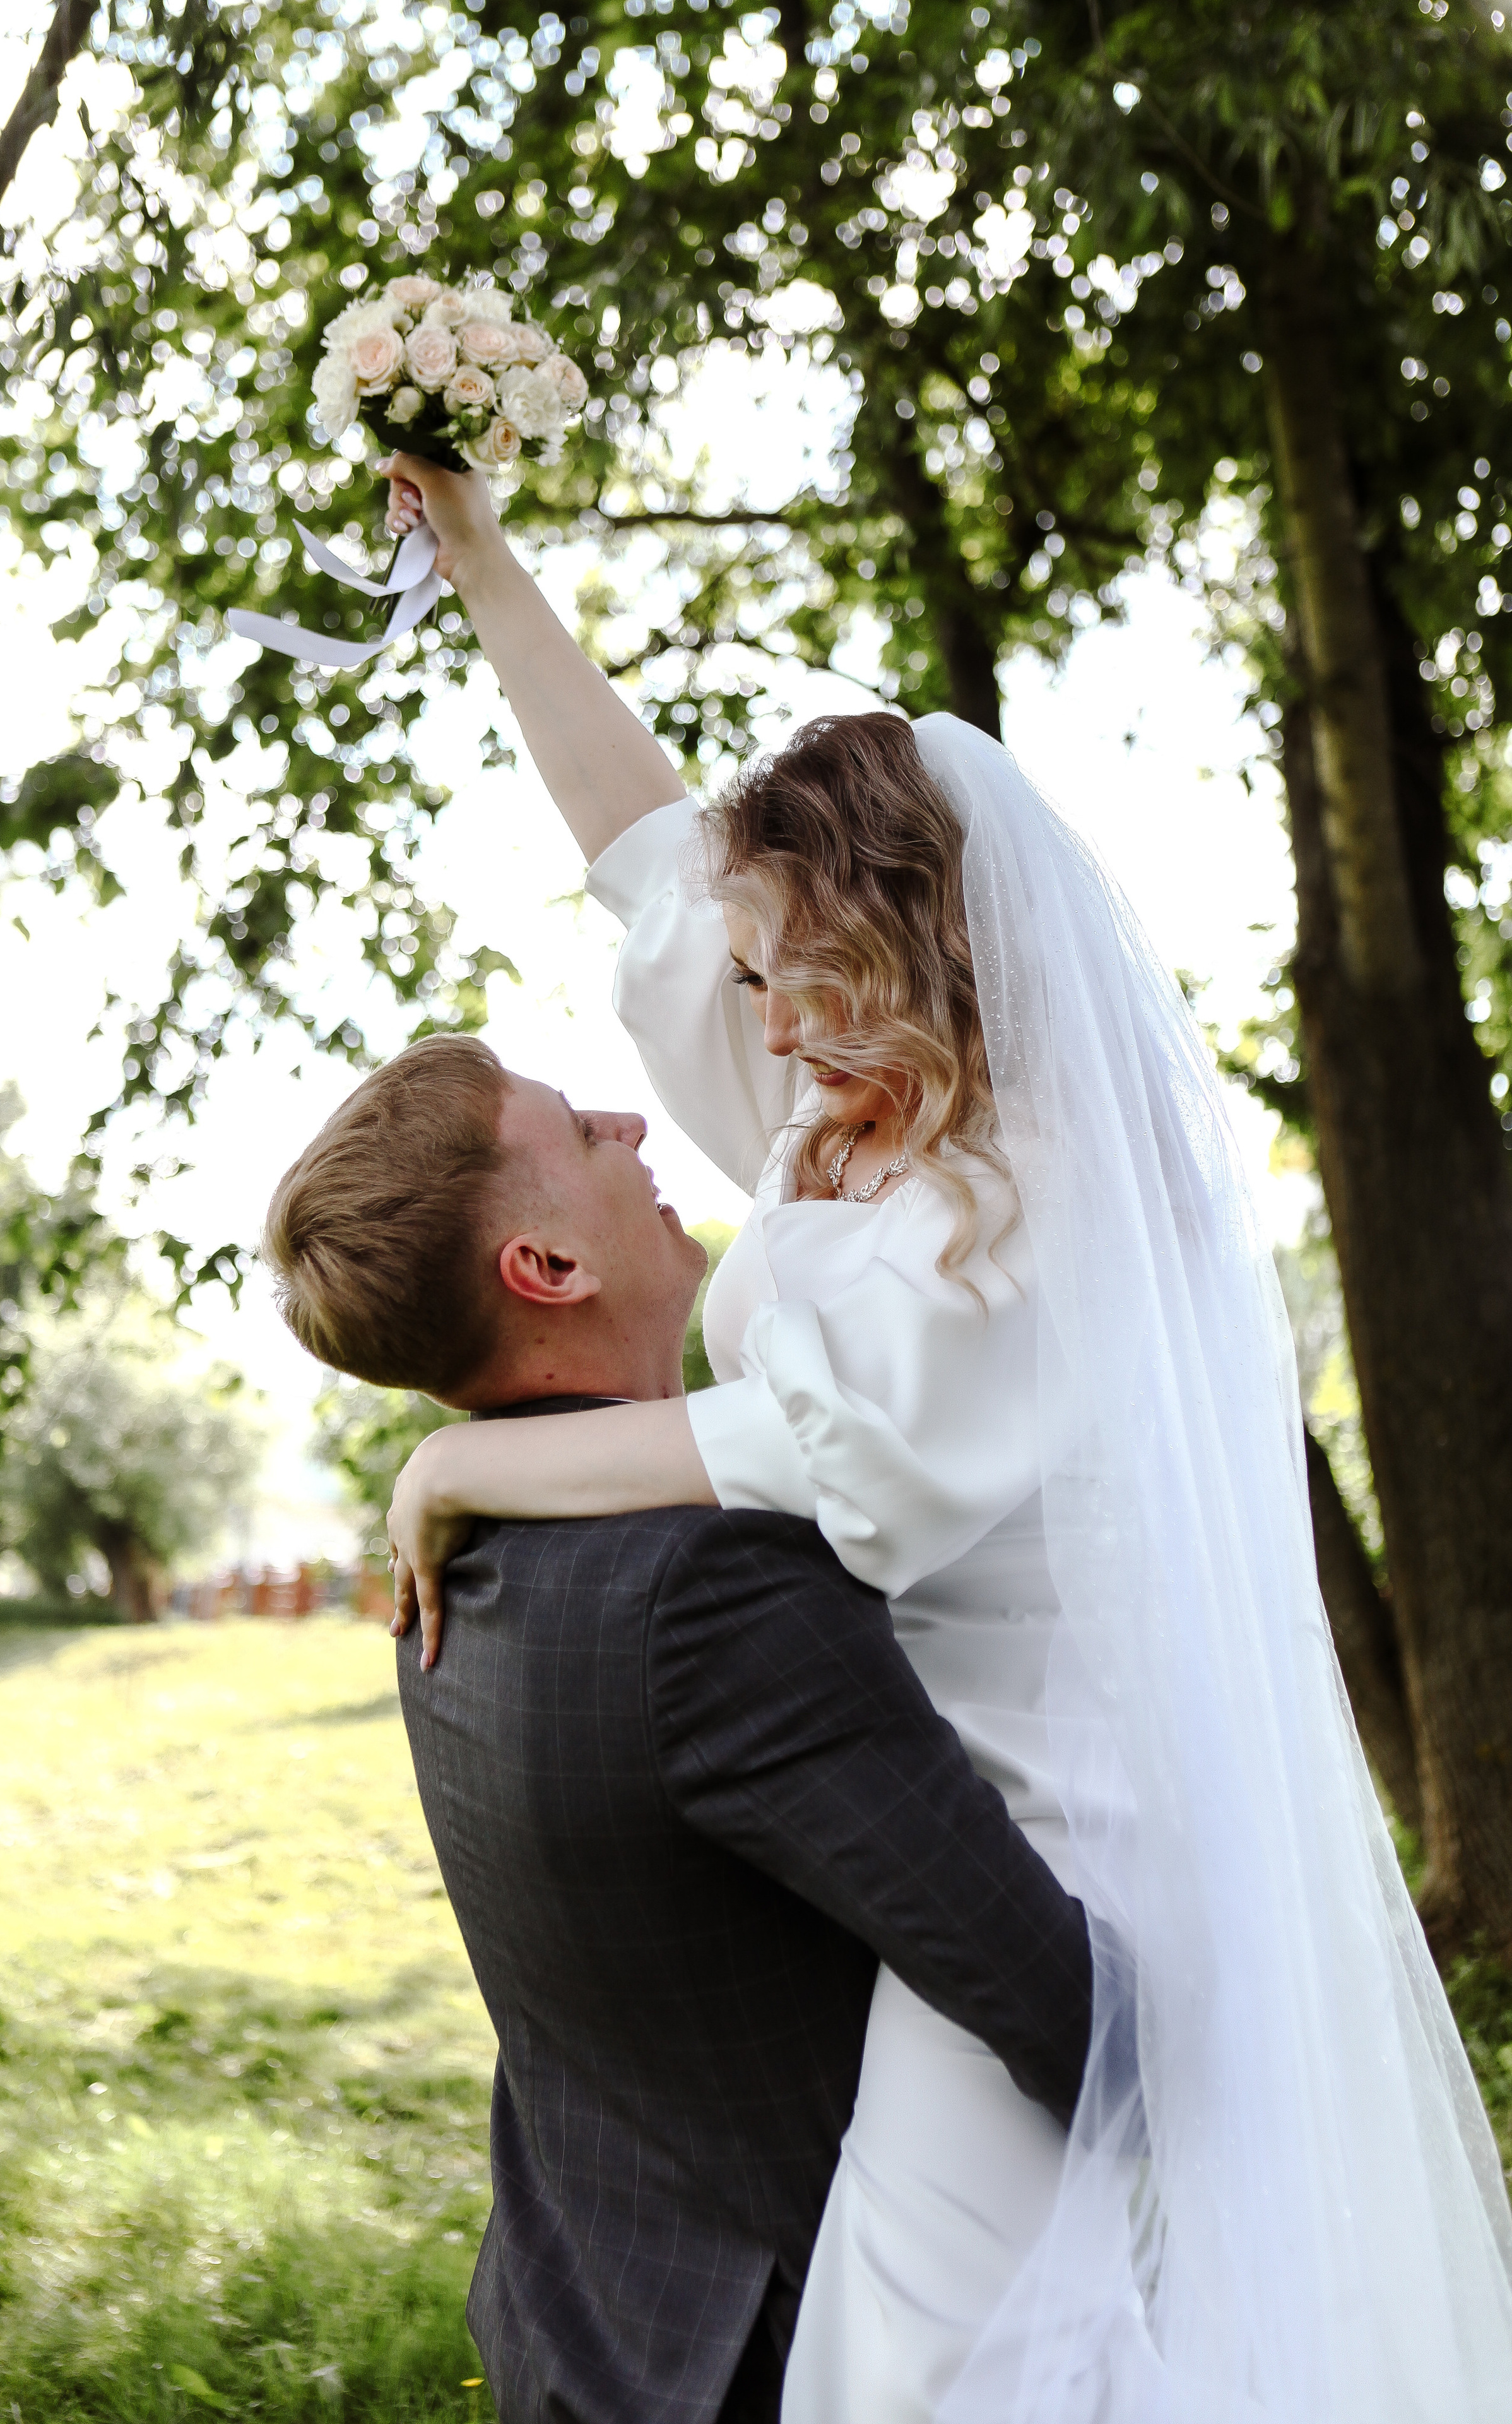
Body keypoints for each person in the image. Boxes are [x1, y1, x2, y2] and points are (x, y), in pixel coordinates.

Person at [375, 452, 1512, 2424]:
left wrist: (459, 1463)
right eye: (747, 983)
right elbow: (638, 841)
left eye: (785, 978)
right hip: (953, 1812)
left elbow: (773, 1452)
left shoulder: (1042, 1206)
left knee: (923, 2370)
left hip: (1085, 1843)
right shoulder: (841, 1119)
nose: (755, 1025)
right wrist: (482, 563)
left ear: (893, 935)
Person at [261, 1035, 1096, 2424]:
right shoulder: (714, 1593)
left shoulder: (449, 1570)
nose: (633, 1126)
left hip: (586, 2318)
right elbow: (1043, 2001)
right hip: (787, 2356)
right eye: (581, 1135)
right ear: (547, 1271)